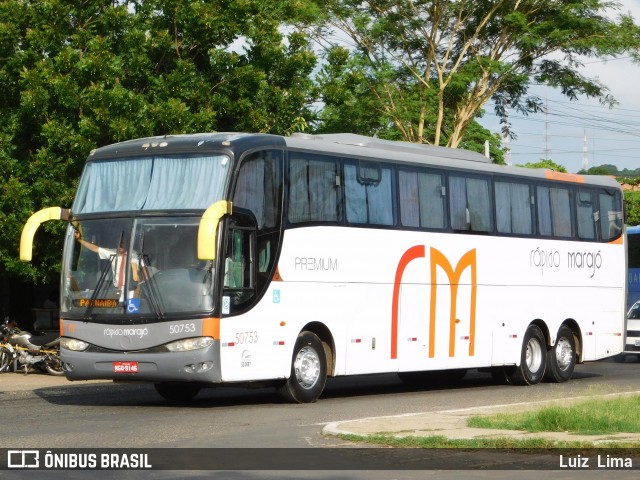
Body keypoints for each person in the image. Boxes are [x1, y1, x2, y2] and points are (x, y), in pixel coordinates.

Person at [74, 231, 142, 299]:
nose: (120, 245)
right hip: (116, 291)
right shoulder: (112, 252)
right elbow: (95, 248)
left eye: (122, 243)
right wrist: (79, 240)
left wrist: (138, 287)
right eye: (118, 243)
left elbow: (145, 271)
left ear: (128, 243)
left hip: (131, 291)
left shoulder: (134, 255)